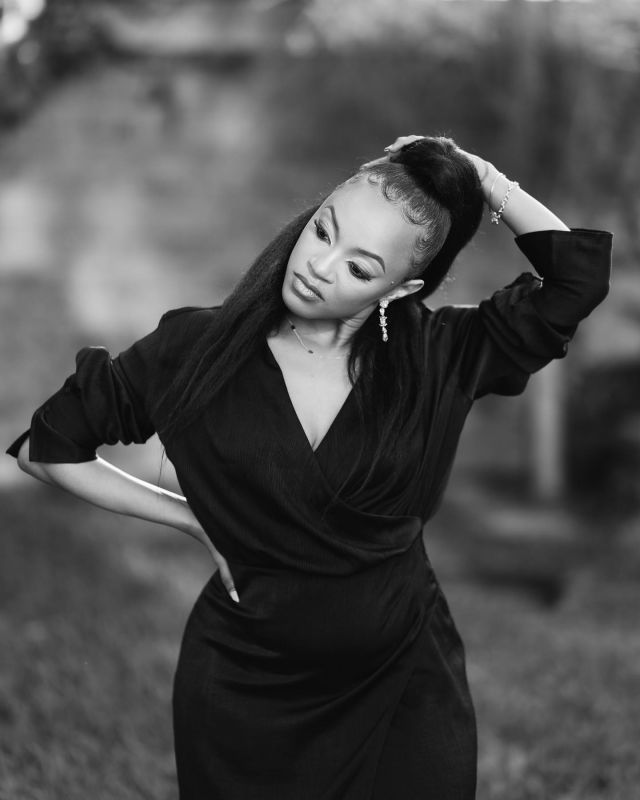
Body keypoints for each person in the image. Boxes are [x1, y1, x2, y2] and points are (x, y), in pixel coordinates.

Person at [6, 134, 612, 799]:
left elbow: (576, 281)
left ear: (402, 287)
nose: (319, 267)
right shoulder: (196, 349)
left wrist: (485, 178)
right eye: (323, 231)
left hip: (406, 681)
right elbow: (47, 448)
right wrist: (192, 519)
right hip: (247, 690)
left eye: (360, 268)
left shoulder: (441, 355)